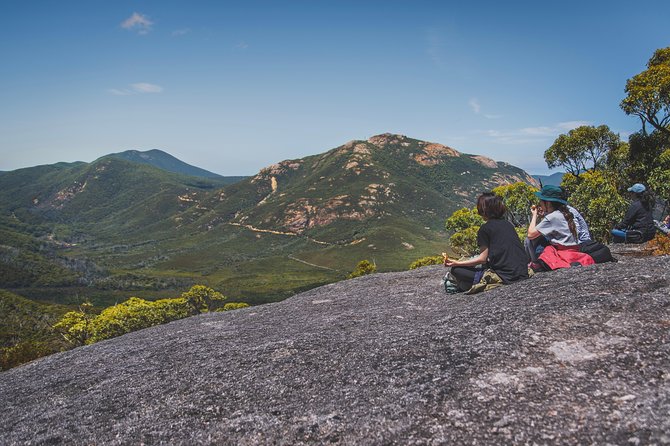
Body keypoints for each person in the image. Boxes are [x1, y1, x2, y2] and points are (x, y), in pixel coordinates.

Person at [444, 192, 529, 292]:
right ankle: (465, 284)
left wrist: (457, 263)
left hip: (506, 276)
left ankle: (467, 284)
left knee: (456, 270)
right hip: (522, 272)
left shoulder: (485, 229)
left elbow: (482, 259)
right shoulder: (508, 224)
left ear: (484, 210)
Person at [526, 185, 595, 270]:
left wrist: (534, 215)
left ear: (548, 203)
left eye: (541, 201)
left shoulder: (552, 217)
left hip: (562, 252)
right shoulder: (566, 212)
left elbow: (530, 234)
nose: (539, 203)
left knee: (530, 240)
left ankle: (535, 265)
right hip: (575, 251)